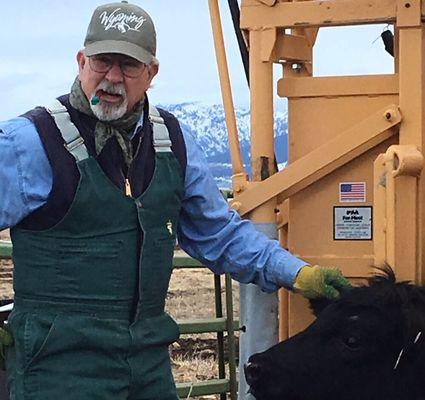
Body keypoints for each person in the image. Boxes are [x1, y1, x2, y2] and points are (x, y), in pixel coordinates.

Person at [0, 2, 351, 399]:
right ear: (81, 61)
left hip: (146, 368)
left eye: (128, 65)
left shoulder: (170, 141)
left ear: (151, 73)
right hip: (58, 371)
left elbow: (218, 232)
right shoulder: (30, 142)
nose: (112, 77)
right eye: (102, 61)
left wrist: (296, 273)